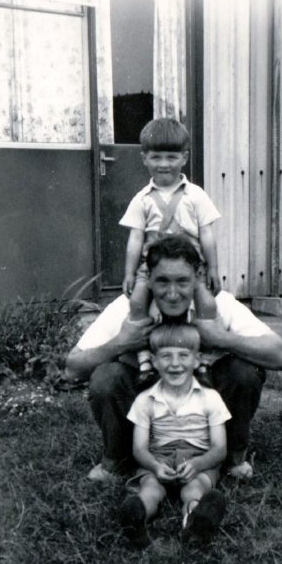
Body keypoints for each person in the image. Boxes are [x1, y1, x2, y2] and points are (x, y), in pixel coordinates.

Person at [65, 234, 282, 482]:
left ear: (197, 278)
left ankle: (232, 459)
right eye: (162, 281)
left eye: (182, 281)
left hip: (206, 415)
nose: (172, 294)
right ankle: (118, 460)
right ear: (148, 280)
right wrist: (121, 343)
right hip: (148, 416)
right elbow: (72, 369)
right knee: (106, 377)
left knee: (244, 371)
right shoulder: (128, 307)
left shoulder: (219, 304)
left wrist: (221, 339)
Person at [119, 117, 221, 386]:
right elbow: (135, 237)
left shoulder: (196, 195)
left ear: (184, 158)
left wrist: (213, 267)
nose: (164, 164)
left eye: (172, 157)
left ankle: (204, 361)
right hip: (151, 267)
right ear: (144, 158)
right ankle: (144, 361)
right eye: (156, 157)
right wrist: (130, 272)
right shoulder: (142, 199)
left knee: (207, 304)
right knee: (137, 302)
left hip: (190, 266)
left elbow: (207, 234)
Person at [120, 323, 230, 548]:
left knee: (195, 488)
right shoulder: (145, 400)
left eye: (183, 355)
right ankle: (135, 519)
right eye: (166, 356)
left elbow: (219, 449)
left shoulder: (210, 398)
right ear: (154, 361)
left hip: (199, 457)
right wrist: (155, 466)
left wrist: (199, 464)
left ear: (197, 359)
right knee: (151, 487)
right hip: (158, 457)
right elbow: (139, 449)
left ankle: (196, 524)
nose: (175, 364)